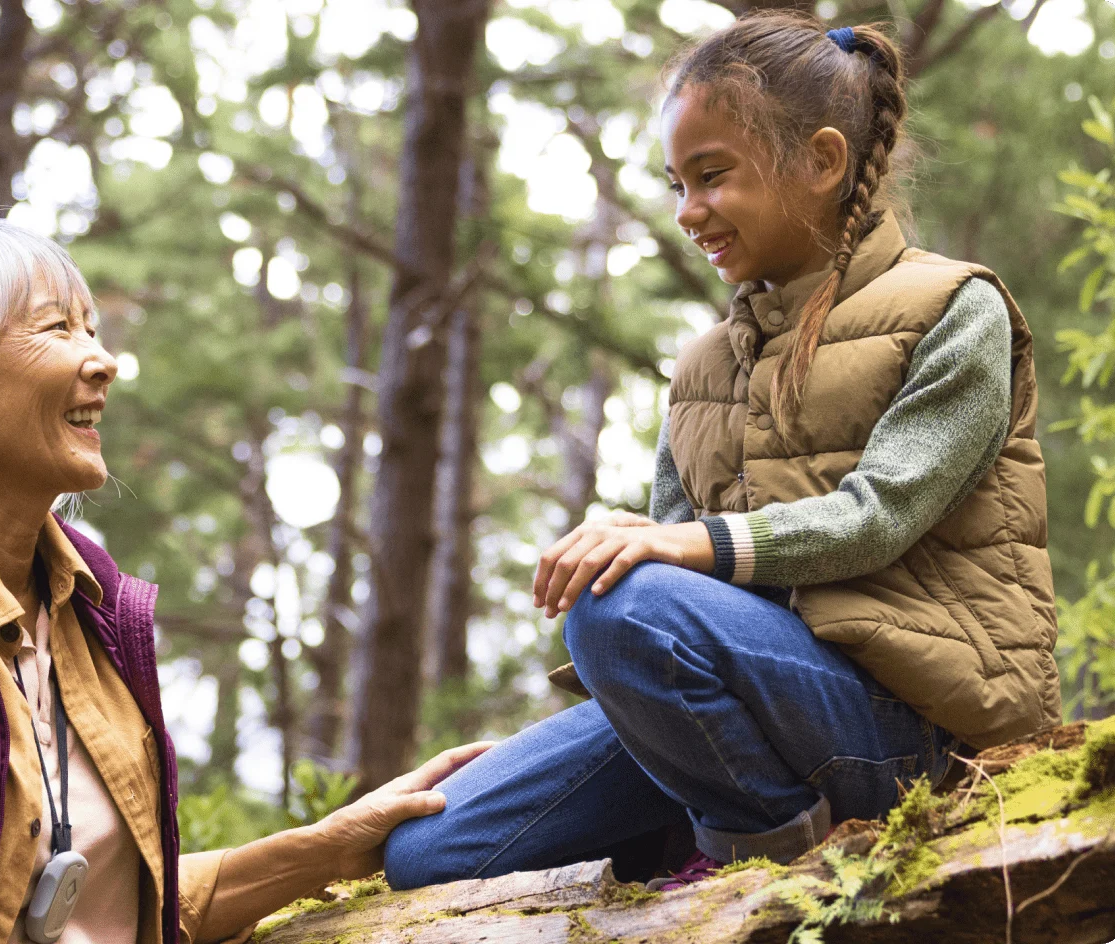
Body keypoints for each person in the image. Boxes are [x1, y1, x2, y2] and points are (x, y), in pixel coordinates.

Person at [384, 11, 1060, 892]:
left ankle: (763, 856)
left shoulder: (953, 309)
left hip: (915, 720)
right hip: (758, 703)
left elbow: (879, 518)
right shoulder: (708, 363)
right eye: (675, 183)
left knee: (618, 609)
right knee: (427, 847)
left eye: (712, 177)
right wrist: (632, 673)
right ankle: (720, 808)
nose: (687, 212)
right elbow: (674, 587)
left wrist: (671, 550)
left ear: (821, 162)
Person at [0, 218, 492, 944]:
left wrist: (330, 846)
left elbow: (118, 912)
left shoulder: (86, 616)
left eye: (94, 328)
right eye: (56, 328)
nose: (103, 360)